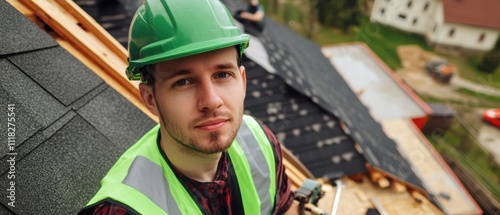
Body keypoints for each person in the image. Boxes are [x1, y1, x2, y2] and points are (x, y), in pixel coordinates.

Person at [79, 0, 296, 214]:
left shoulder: (259, 141)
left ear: (243, 82)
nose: (211, 101)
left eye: (222, 75)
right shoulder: (122, 210)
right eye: (182, 82)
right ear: (150, 98)